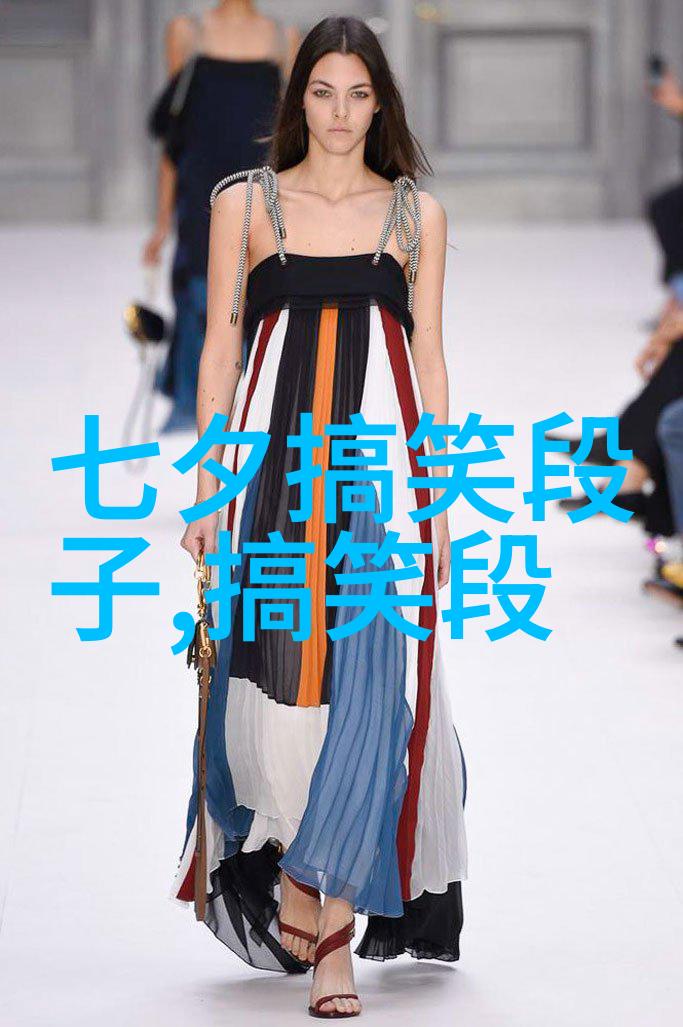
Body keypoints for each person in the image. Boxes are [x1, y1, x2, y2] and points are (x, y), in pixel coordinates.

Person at [169, 15, 468, 1019]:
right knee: (288, 694)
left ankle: (332, 923)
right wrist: (207, 483)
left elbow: (428, 359)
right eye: (322, 92)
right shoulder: (245, 202)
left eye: (358, 94)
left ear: (380, 104)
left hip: (377, 476)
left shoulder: (414, 214)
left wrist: (439, 499)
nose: (340, 114)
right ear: (297, 96)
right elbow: (220, 346)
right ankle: (298, 864)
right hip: (272, 476)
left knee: (372, 689)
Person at [144, 2, 300, 432]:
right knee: (200, 293)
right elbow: (175, 138)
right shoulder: (187, 32)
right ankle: (199, 410)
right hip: (199, 194)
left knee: (259, 294)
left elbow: (292, 138)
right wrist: (161, 224)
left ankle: (256, 408)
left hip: (261, 191)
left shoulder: (283, 38)